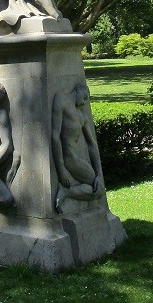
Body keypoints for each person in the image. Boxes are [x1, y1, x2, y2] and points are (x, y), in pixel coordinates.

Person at [51, 82, 105, 213]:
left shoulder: (82, 116)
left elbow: (92, 145)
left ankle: (67, 192)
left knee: (97, 188)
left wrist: (99, 174)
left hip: (74, 159)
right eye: (85, 96)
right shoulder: (61, 100)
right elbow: (54, 137)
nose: (85, 102)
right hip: (68, 160)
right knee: (96, 190)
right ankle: (65, 193)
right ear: (78, 90)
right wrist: (61, 169)